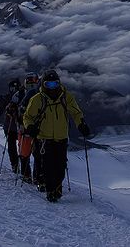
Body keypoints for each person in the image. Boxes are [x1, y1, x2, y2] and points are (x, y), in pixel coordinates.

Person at [22, 70, 90, 202]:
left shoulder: (66, 97)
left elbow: (76, 113)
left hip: (61, 137)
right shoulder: (38, 99)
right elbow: (28, 116)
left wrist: (81, 124)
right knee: (47, 166)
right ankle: (51, 191)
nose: (52, 87)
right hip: (44, 138)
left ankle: (56, 188)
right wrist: (30, 127)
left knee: (60, 166)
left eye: (55, 84)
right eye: (49, 84)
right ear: (44, 84)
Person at [16, 72, 42, 185]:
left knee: (32, 154)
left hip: (28, 128)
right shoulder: (37, 94)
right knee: (30, 153)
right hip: (31, 128)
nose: (31, 83)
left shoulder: (22, 94)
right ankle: (31, 176)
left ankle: (30, 175)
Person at [0, 79, 22, 173]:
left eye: (15, 88)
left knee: (13, 147)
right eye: (12, 88)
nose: (13, 89)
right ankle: (17, 165)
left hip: (11, 126)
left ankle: (15, 165)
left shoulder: (6, 98)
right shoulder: (22, 97)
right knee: (16, 147)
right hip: (18, 127)